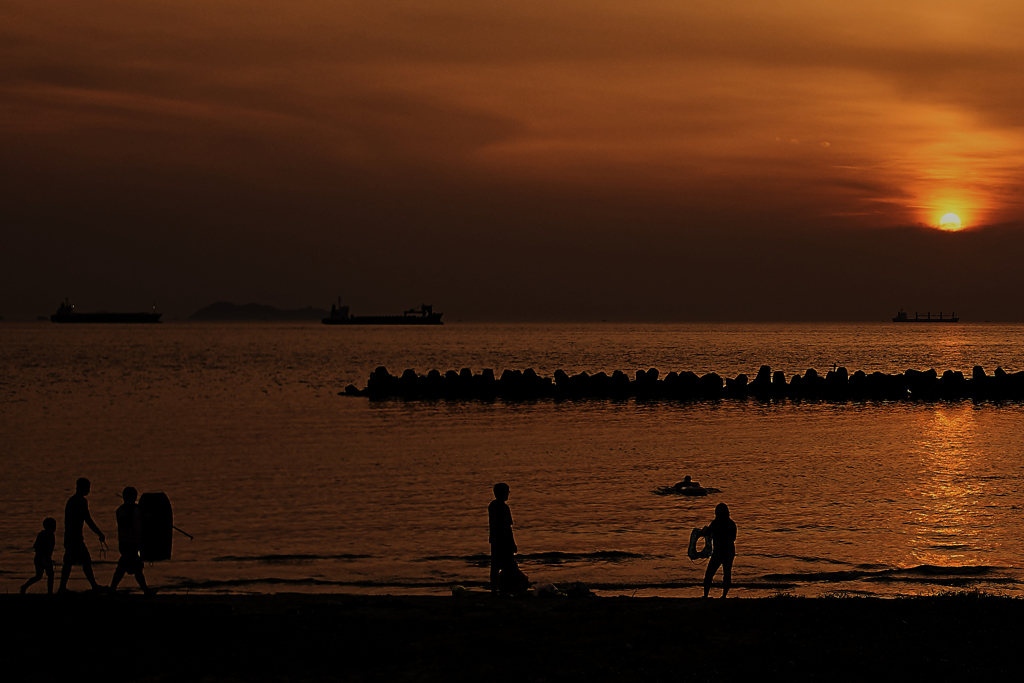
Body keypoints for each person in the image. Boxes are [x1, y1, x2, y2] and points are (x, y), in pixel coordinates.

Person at [58, 477, 106, 593]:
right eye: (87, 488)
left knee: (73, 562)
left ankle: (62, 588)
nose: (88, 490)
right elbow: (87, 519)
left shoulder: (73, 501)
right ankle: (92, 586)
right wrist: (99, 532)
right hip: (74, 538)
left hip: (72, 537)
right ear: (80, 488)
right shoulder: (79, 502)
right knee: (82, 561)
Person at [109, 486, 155, 596]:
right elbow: (125, 523)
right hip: (126, 543)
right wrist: (132, 510)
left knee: (126, 567)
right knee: (135, 568)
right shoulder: (121, 511)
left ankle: (112, 589)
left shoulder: (138, 509)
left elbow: (144, 522)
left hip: (136, 543)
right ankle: (146, 590)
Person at [488, 482, 518, 595]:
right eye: (507, 492)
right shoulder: (504, 508)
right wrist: (513, 543)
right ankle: (506, 588)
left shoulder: (492, 506)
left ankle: (494, 590)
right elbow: (507, 528)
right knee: (508, 566)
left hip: (495, 540)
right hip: (504, 540)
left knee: (495, 566)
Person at [703, 502, 737, 598]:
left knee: (709, 573)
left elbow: (708, 533)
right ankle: (724, 595)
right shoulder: (731, 523)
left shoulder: (715, 522)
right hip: (729, 551)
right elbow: (733, 538)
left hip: (718, 552)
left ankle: (706, 595)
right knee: (726, 574)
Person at [20, 517, 57, 594]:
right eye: (53, 526)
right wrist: (44, 559)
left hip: (46, 558)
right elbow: (37, 547)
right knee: (41, 576)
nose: (54, 528)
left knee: (47, 575)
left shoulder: (51, 535)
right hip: (40, 558)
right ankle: (25, 587)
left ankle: (49, 591)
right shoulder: (43, 535)